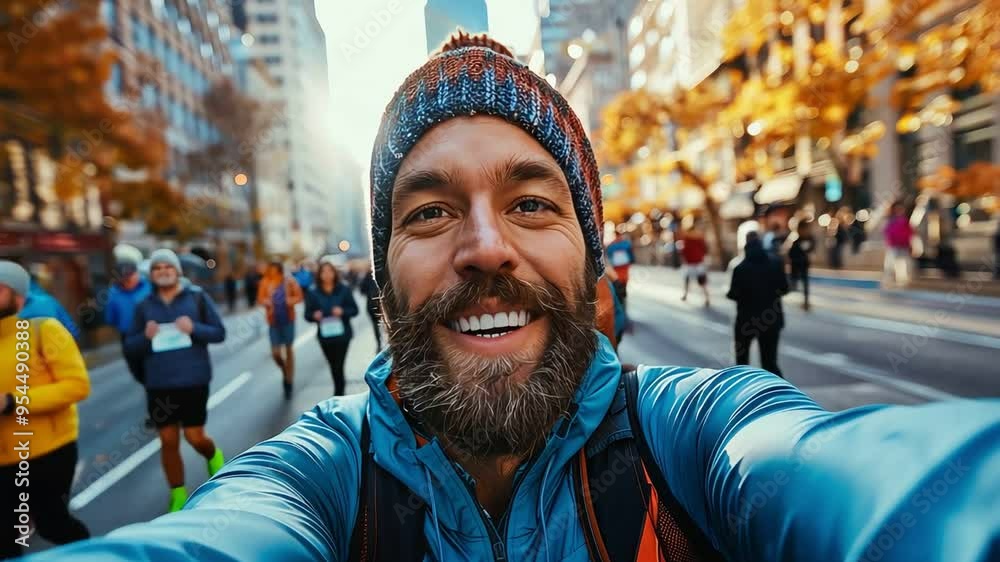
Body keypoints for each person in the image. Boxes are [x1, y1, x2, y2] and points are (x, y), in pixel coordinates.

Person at [29, 33, 1000, 562]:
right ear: (381, 273)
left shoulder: (696, 439)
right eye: (428, 212)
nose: (485, 245)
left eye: (532, 201)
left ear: (593, 261)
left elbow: (885, 486)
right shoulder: (319, 480)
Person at [1, 261, 91, 559]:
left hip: (48, 452)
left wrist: (14, 402)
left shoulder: (43, 331)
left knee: (53, 525)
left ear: (19, 298)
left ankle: (96, 556)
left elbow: (77, 385)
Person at [125, 249, 226, 513]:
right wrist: (145, 337)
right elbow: (130, 348)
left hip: (193, 380)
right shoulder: (143, 307)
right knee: (168, 441)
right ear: (151, 274)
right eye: (157, 268)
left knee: (195, 437)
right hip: (159, 385)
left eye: (167, 267)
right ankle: (178, 494)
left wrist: (194, 328)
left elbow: (219, 333)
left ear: (177, 271)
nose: (163, 272)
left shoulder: (197, 298)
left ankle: (212, 454)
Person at [727, 231, 789, 377]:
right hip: (771, 319)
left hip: (746, 322)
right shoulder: (775, 263)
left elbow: (733, 294)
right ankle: (779, 394)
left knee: (742, 364)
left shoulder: (740, 268)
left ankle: (743, 395)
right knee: (770, 363)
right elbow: (785, 288)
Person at [304, 262, 359, 396]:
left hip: (342, 334)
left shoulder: (344, 289)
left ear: (334, 273)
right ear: (319, 274)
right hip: (325, 336)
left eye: (330, 271)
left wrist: (342, 311)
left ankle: (339, 394)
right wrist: (314, 315)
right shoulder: (312, 291)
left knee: (338, 365)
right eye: (324, 272)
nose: (327, 274)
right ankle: (339, 391)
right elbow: (307, 315)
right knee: (333, 365)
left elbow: (354, 310)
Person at [256, 261, 303, 399]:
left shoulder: (289, 281)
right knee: (275, 353)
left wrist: (291, 301)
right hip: (273, 321)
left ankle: (289, 379)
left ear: (280, 270)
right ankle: (284, 370)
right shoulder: (265, 282)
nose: (273, 273)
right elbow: (260, 298)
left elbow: (299, 297)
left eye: (276, 270)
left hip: (288, 319)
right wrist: (265, 302)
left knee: (289, 349)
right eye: (271, 270)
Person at [105, 260, 153, 384]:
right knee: (135, 366)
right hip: (128, 334)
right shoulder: (113, 293)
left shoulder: (150, 287)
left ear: (137, 274)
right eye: (124, 278)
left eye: (130, 276)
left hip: (151, 332)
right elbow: (110, 317)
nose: (128, 280)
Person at [883, 202, 914, 287]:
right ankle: (889, 280)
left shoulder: (905, 221)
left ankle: (903, 280)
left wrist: (910, 244)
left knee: (905, 263)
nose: (900, 210)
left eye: (901, 209)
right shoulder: (891, 220)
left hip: (904, 245)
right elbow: (887, 232)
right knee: (890, 264)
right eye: (898, 209)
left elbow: (910, 233)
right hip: (894, 246)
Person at [679, 223, 710, 306]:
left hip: (690, 263)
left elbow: (683, 251)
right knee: (701, 281)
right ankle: (706, 298)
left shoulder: (686, 238)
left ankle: (685, 295)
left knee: (688, 279)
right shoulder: (699, 238)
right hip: (697, 262)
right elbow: (705, 249)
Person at [787, 220, 815, 310]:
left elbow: (811, 249)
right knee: (793, 283)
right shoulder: (796, 242)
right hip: (795, 266)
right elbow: (791, 254)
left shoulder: (810, 239)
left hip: (804, 266)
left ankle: (806, 301)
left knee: (804, 283)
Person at [357, 266, 383, 353]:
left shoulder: (368, 276)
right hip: (374, 305)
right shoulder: (368, 276)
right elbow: (362, 290)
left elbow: (362, 290)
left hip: (374, 305)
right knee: (377, 325)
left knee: (376, 325)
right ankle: (380, 343)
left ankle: (380, 343)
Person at [605, 231, 634, 306]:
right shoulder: (624, 244)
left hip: (621, 268)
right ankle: (621, 300)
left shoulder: (615, 245)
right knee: (620, 284)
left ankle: (621, 299)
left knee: (621, 284)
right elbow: (631, 255)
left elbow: (609, 253)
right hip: (620, 269)